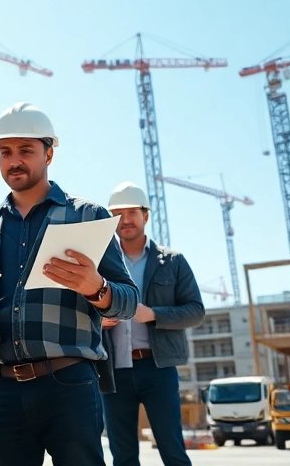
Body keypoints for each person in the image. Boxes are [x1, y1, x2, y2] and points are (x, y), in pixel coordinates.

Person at [0, 103, 139, 466]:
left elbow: (128, 301)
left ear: (49, 153)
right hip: (1, 390)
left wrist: (95, 287)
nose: (14, 161)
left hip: (68, 384)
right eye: (5, 152)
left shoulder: (87, 216)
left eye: (26, 151)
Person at [99, 183, 204, 466]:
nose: (125, 220)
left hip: (158, 370)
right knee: (122, 457)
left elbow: (195, 311)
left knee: (172, 451)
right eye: (118, 214)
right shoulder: (99, 265)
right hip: (113, 372)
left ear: (146, 215)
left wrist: (153, 314)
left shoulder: (172, 261)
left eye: (132, 212)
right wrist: (98, 320)